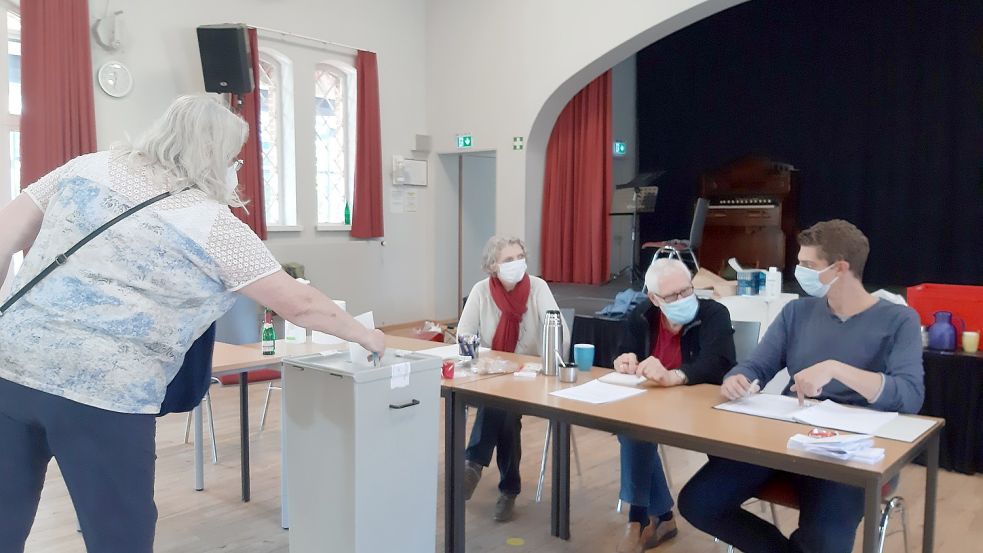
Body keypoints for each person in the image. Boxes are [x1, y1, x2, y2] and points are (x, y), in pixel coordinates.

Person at [0, 95, 385, 553]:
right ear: (214, 156)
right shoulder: (209, 223)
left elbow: (5, 235)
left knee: (6, 513)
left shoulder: (85, 168)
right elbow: (297, 303)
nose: (235, 166)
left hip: (11, 368)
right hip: (102, 393)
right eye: (233, 157)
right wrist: (366, 334)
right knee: (119, 531)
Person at [678, 219, 925, 553]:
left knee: (823, 541)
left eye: (809, 266)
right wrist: (738, 378)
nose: (800, 272)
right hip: (786, 439)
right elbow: (758, 365)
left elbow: (910, 396)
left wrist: (837, 370)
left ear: (841, 268)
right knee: (698, 502)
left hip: (849, 455)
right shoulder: (797, 312)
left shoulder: (898, 320)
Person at [611, 258, 736, 553]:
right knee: (632, 427)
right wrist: (624, 360)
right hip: (654, 407)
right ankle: (647, 519)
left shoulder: (713, 313)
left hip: (705, 408)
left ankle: (644, 520)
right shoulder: (642, 314)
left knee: (635, 428)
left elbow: (718, 363)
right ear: (654, 299)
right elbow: (621, 350)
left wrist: (674, 376)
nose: (683, 299)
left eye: (686, 290)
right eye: (672, 296)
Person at [457, 236, 569, 522]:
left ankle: (473, 464)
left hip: (530, 378)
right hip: (489, 376)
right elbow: (464, 336)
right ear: (493, 265)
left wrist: (540, 361)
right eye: (509, 259)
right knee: (503, 410)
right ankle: (508, 489)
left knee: (501, 405)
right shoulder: (480, 292)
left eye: (520, 256)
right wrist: (480, 358)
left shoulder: (538, 288)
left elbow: (561, 336)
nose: (517, 263)